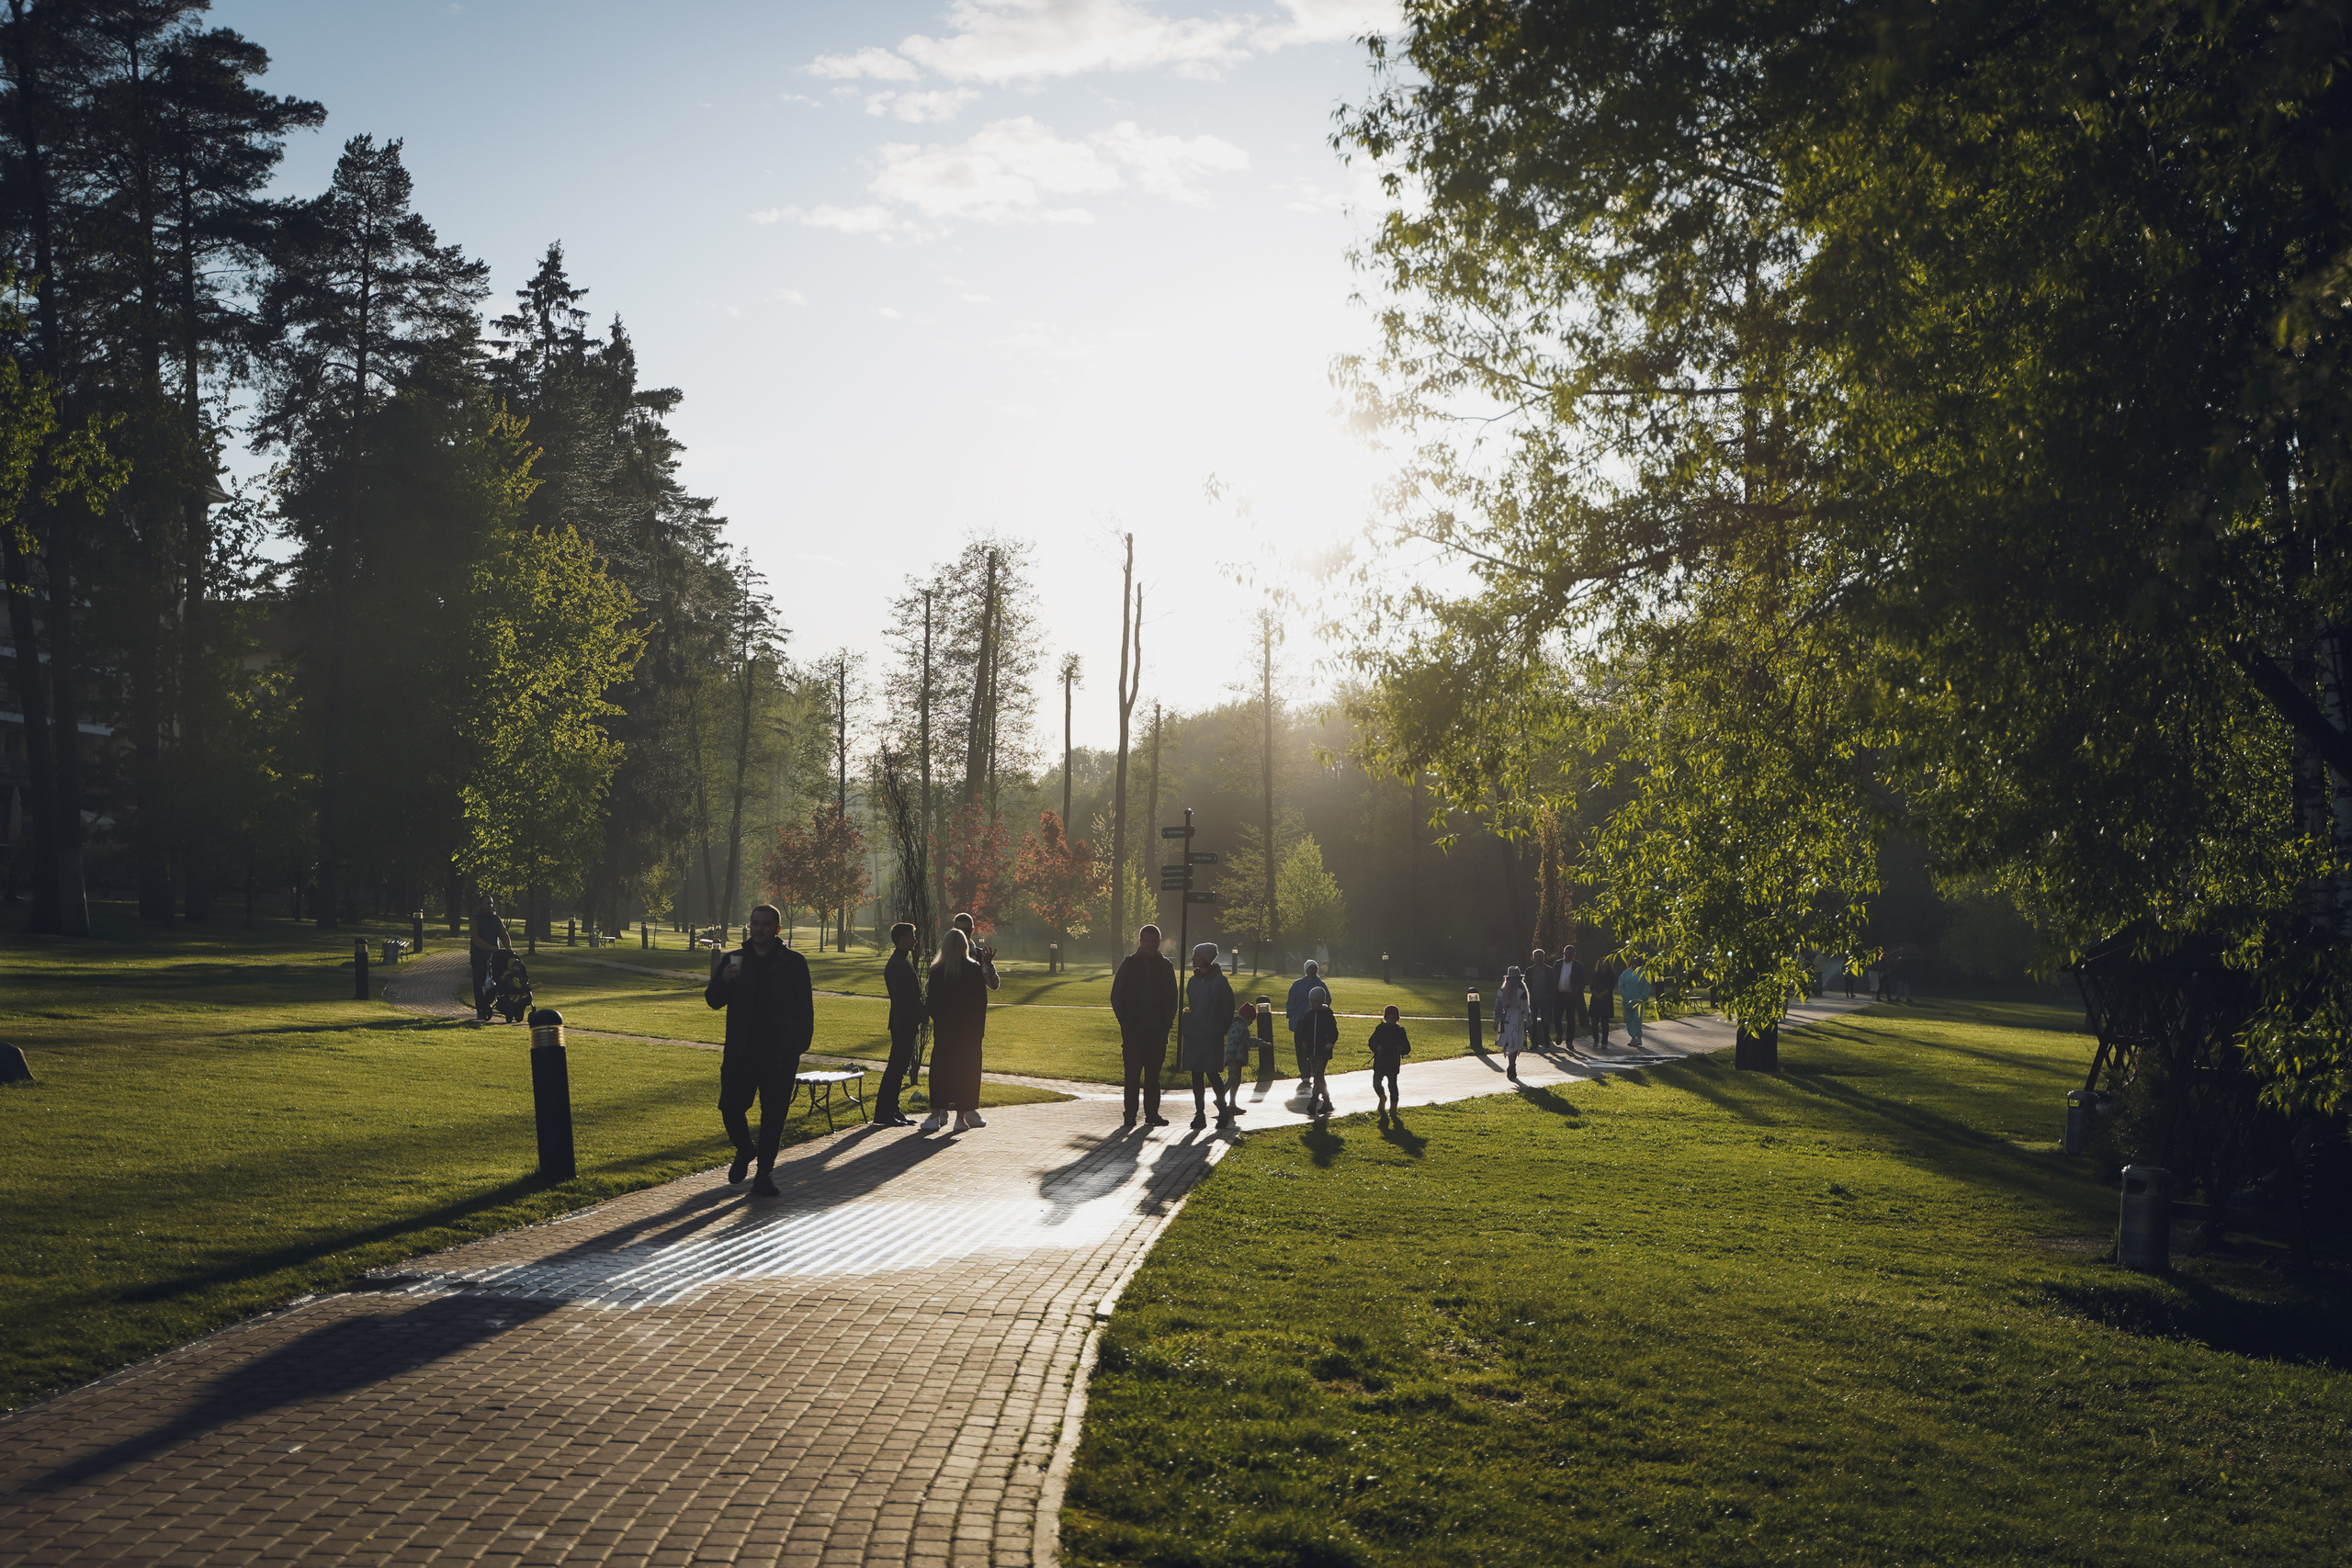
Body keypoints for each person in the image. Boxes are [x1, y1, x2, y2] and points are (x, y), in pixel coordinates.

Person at [704, 902, 815, 1197]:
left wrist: (797, 1048)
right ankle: (744, 1149)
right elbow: (713, 1000)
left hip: (779, 1055)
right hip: (740, 1051)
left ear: (777, 929)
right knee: (730, 1107)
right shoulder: (735, 960)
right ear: (749, 926)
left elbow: (805, 1008)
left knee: (773, 1117)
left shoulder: (792, 963)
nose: (759, 929)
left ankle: (764, 1174)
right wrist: (724, 981)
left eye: (766, 924)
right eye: (755, 923)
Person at [1109, 924, 1178, 1128]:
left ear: (1159, 941)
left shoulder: (1165, 967)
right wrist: (1125, 1022)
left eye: (1153, 941)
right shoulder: (1129, 964)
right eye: (1145, 941)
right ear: (1140, 942)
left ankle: (1152, 1114)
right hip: (1134, 1030)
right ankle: (1130, 1115)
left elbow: (1172, 998)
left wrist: (1167, 1023)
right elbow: (1116, 995)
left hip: (1157, 1029)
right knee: (1132, 1075)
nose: (1149, 944)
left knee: (1153, 1076)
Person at [922, 929, 989, 1133]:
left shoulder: (936, 971)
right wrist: (978, 1030)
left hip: (945, 1031)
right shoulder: (973, 970)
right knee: (966, 1073)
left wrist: (940, 1020)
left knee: (940, 1072)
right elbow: (980, 1004)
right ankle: (961, 1118)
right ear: (964, 946)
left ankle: (935, 1115)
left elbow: (932, 1002)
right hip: (968, 1032)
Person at [1180, 942, 1236, 1129]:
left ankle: (1223, 1111)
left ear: (1205, 958)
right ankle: (1199, 1113)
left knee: (1212, 1074)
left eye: (1196, 955)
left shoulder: (1220, 982)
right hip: (1195, 1034)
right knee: (1196, 1074)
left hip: (1212, 1035)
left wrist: (1220, 1027)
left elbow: (1228, 1008)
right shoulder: (1193, 981)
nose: (1193, 958)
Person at [876, 921, 928, 1126]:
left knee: (899, 1067)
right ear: (901, 939)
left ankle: (892, 1108)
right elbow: (904, 999)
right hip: (903, 1023)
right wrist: (922, 1012)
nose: (915, 940)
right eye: (911, 936)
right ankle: (883, 1111)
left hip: (905, 1021)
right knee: (896, 1067)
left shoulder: (901, 961)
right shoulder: (897, 964)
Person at [1285, 961, 1331, 1080]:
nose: (1312, 970)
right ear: (1306, 969)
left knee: (1311, 1046)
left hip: (1314, 1020)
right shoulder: (1298, 984)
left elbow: (1327, 1000)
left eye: (1314, 968)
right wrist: (1290, 1013)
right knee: (1300, 1046)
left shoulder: (1321, 985)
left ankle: (1311, 1070)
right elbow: (1291, 999)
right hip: (1299, 1020)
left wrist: (1321, 1011)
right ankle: (1304, 1072)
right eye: (1310, 968)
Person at [469, 895, 512, 1022]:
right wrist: (488, 947)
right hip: (479, 955)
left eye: (491, 903)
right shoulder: (475, 920)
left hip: (494, 956)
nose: (490, 906)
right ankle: (481, 1009)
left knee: (497, 980)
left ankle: (488, 1003)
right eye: (487, 903)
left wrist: (509, 948)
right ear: (481, 905)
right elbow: (475, 938)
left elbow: (503, 933)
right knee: (479, 983)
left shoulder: (496, 919)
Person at [1301, 985, 1340, 1115]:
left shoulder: (1327, 1015)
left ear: (1321, 1001)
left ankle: (1313, 1102)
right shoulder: (1309, 1015)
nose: (1312, 1003)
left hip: (1323, 1051)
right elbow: (1303, 1030)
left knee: (1317, 1076)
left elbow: (1334, 1032)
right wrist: (1304, 1041)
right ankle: (1327, 1102)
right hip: (1312, 1051)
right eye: (1311, 1001)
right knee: (1319, 1078)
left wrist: (1330, 1043)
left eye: (1315, 1001)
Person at [1370, 1004, 1411, 1115]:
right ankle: (1382, 1098)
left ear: (1397, 1019)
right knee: (1376, 1083)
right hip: (1380, 1062)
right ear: (1385, 1018)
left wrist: (1401, 1048)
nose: (1390, 1020)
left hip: (1393, 1063)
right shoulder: (1380, 1029)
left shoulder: (1400, 1031)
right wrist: (1376, 1047)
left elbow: (1407, 1047)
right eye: (1388, 1018)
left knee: (1392, 1086)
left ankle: (1393, 1108)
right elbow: (1371, 1041)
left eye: (1393, 1018)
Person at [1222, 1004, 1258, 1122]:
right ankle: (1220, 1097)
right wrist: (1231, 1054)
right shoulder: (1238, 1026)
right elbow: (1233, 1041)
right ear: (1247, 1017)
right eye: (1251, 1020)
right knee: (1232, 1078)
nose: (1251, 1023)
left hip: (1239, 1058)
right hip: (1234, 1058)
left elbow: (1247, 1042)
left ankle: (1232, 1104)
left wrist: (1261, 1043)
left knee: (1236, 1081)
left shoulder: (1241, 1026)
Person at [1496, 964, 1532, 1082]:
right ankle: (1512, 1064)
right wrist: (1529, 1021)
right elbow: (1525, 1008)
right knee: (1516, 1041)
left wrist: (1495, 1019)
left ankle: (1511, 1064)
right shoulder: (1522, 991)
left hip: (1506, 1018)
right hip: (1518, 1018)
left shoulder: (1502, 991)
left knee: (1509, 1042)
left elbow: (1497, 1007)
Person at [950, 912, 1001, 991]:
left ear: (972, 930)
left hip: (973, 1002)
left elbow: (994, 985)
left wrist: (988, 966)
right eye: (960, 931)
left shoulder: (980, 956)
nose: (963, 934)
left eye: (966, 930)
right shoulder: (945, 955)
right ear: (954, 930)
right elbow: (930, 988)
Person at [1554, 946, 1585, 1046]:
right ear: (1563, 953)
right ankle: (1559, 1033)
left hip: (1571, 995)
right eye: (1566, 953)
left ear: (1574, 954)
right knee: (1557, 1016)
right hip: (1559, 995)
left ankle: (1569, 1040)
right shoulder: (1558, 964)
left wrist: (1576, 993)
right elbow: (1554, 977)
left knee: (1571, 1018)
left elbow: (1582, 982)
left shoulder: (1578, 966)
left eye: (1571, 953)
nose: (1568, 955)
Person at [1617, 962, 1654, 1049]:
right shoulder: (1626, 973)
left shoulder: (1644, 972)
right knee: (1629, 1020)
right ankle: (1633, 1037)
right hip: (1627, 1001)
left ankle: (1639, 1037)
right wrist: (1625, 996)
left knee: (1637, 1019)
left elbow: (1647, 985)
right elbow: (1621, 985)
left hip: (1638, 1001)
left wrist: (1643, 997)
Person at [494, 954, 534, 1024]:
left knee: (525, 988)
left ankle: (529, 986)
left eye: (518, 967)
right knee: (515, 981)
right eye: (515, 967)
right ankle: (517, 984)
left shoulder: (521, 974)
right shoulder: (508, 973)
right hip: (509, 988)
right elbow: (502, 979)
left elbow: (525, 977)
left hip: (520, 988)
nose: (517, 968)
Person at [1589, 953, 1618, 1048]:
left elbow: (1610, 988)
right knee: (1594, 1023)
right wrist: (1596, 995)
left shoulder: (1611, 975)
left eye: (1605, 963)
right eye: (1601, 963)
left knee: (1604, 1023)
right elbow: (1592, 987)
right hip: (1595, 1001)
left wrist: (1601, 995)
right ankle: (1596, 1039)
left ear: (1608, 965)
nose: (1603, 965)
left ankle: (1604, 1042)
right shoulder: (1595, 975)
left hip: (1606, 1001)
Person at [1529, 947, 1555, 1048]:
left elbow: (1553, 985)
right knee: (1533, 1022)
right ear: (1533, 958)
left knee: (1546, 1021)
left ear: (1544, 958)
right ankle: (1534, 1042)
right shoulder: (1529, 971)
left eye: (1540, 956)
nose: (1539, 958)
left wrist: (1551, 997)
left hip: (1545, 999)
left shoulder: (1549, 970)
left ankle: (1546, 1039)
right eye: (1536, 956)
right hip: (1533, 999)